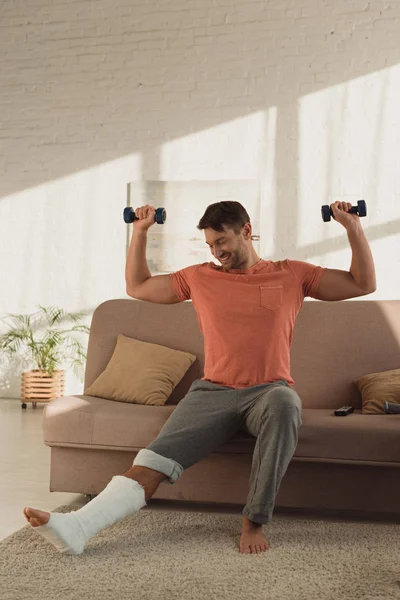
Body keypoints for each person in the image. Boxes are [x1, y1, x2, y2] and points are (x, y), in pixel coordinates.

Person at [24, 200, 376, 555]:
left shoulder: (291, 274)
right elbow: (138, 286)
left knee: (286, 404)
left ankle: (253, 520)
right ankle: (79, 526)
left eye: (221, 241)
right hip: (213, 393)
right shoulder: (198, 278)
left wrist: (352, 227)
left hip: (269, 391)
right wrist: (140, 231)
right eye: (210, 245)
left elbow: (362, 283)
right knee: (153, 460)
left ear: (246, 231)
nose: (216, 251)